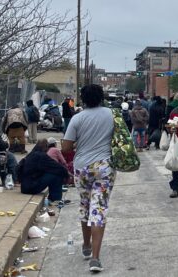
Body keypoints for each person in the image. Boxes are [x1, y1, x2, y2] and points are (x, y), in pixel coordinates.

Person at [62, 84, 115, 273]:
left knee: (85, 205)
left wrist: (80, 144)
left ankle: (86, 245)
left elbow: (66, 148)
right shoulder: (111, 115)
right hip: (104, 167)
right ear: (102, 97)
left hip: (82, 168)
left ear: (83, 99)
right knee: (98, 209)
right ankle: (95, 258)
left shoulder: (77, 118)